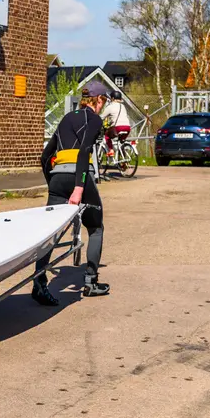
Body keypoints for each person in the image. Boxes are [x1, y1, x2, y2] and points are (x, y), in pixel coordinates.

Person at [34, 81, 111, 306]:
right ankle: (90, 282)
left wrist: (52, 182)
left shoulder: (67, 118)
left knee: (51, 232)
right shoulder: (94, 119)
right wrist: (78, 187)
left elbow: (45, 155)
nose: (102, 106)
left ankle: (38, 284)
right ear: (97, 100)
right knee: (96, 228)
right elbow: (85, 150)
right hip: (79, 178)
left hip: (57, 177)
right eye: (102, 101)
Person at [100, 90, 131, 156]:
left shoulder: (110, 107)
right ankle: (123, 159)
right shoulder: (123, 106)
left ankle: (111, 150)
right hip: (127, 127)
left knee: (107, 136)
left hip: (118, 127)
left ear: (113, 98)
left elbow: (101, 117)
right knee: (121, 143)